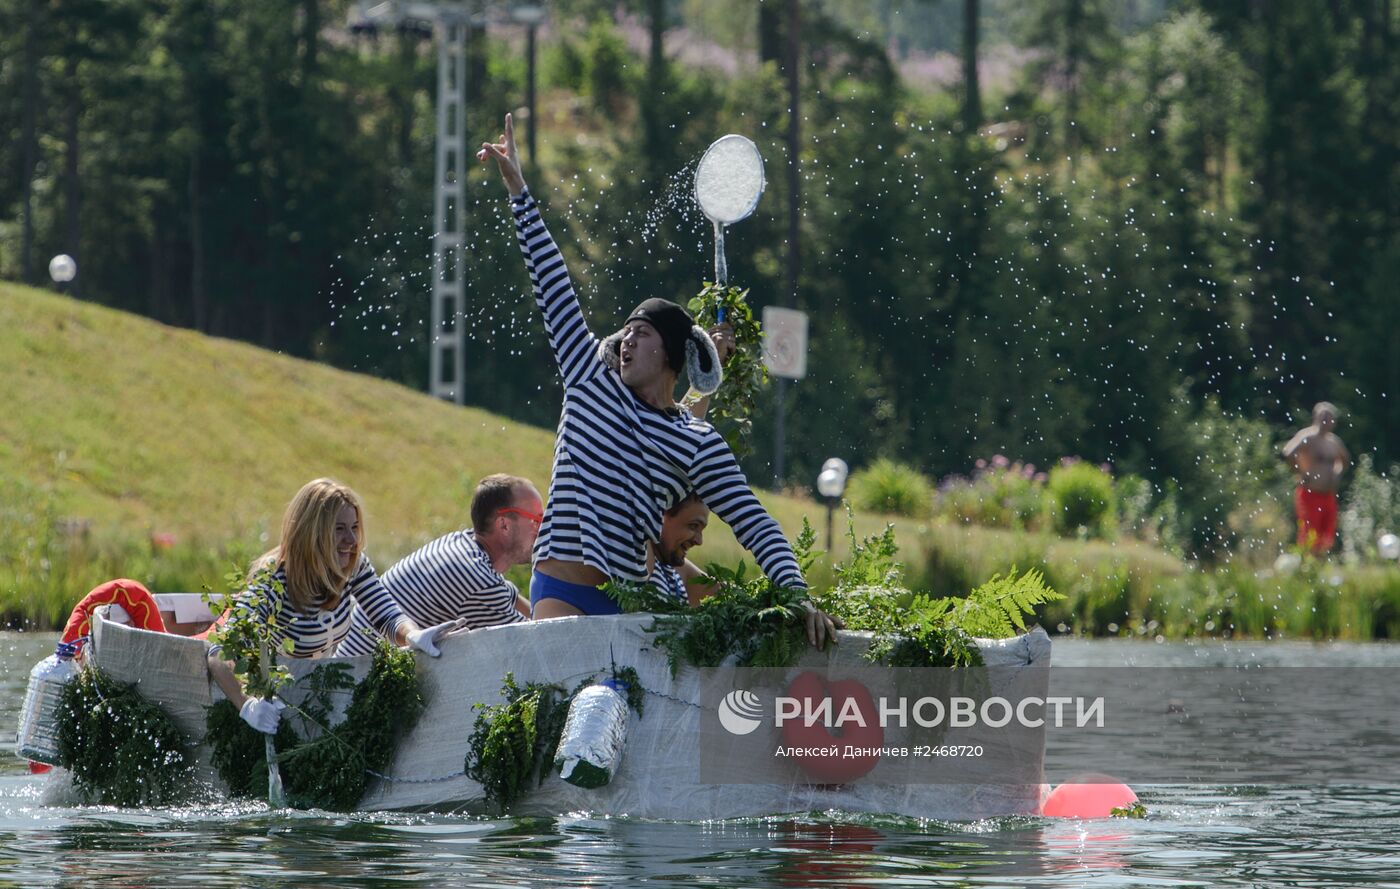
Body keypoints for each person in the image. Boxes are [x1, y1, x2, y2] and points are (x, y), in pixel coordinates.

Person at [478, 113, 835, 647]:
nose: (626, 340)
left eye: (641, 334)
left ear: (670, 354)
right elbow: (553, 286)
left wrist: (797, 592)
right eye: (624, 332)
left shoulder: (695, 442)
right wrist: (519, 193)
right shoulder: (588, 379)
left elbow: (753, 521)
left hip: (631, 606)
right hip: (560, 587)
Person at [207, 478, 462, 734]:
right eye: (339, 529)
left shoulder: (354, 566)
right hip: (272, 706)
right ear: (312, 533)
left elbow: (386, 615)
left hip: (315, 698)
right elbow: (218, 653)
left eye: (354, 527)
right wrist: (247, 705)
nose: (351, 539)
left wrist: (412, 634)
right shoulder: (273, 582)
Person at [335, 474, 542, 656]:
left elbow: (510, 595)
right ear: (504, 524)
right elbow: (540, 642)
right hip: (357, 686)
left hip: (351, 667)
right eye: (536, 519)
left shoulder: (463, 544)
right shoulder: (477, 579)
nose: (543, 529)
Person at [1282, 402, 1351, 554]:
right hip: (1310, 493)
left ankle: (1318, 569)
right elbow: (1288, 453)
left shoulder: (1333, 441)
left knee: (1326, 536)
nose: (1326, 421)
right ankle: (1306, 568)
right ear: (1316, 418)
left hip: (1328, 495)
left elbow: (1345, 461)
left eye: (1329, 418)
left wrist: (1336, 474)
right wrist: (1300, 472)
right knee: (1309, 534)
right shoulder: (1308, 436)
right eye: (1323, 417)